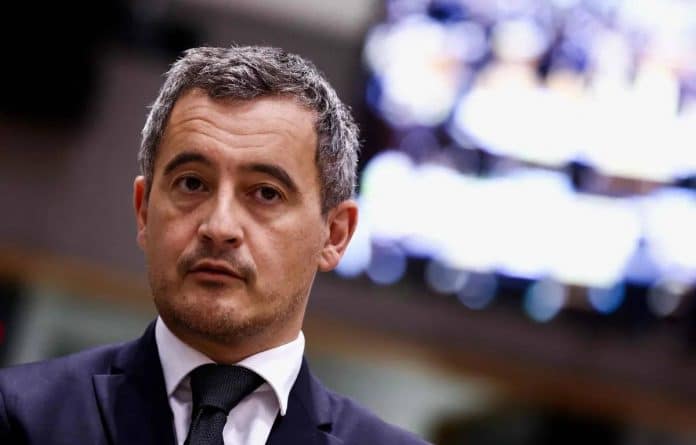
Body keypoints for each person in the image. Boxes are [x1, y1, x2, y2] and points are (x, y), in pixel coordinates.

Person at [0, 46, 429, 444]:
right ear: (144, 210)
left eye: (266, 193)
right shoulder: (20, 416)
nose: (219, 227)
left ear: (334, 235)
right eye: (192, 184)